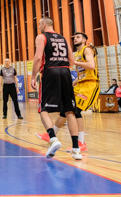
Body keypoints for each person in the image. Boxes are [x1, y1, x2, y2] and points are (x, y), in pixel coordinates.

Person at [35, 32, 99, 151]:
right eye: (74, 37)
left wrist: (74, 63)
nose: (75, 39)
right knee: (66, 110)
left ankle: (81, 142)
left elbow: (91, 66)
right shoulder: (78, 53)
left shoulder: (87, 50)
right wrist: (70, 84)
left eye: (78, 37)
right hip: (80, 84)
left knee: (76, 111)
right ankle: (51, 134)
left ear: (85, 40)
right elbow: (81, 75)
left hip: (90, 85)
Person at [31, 17, 82, 160]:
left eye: (40, 24)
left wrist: (33, 76)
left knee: (43, 109)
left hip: (50, 71)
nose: (39, 26)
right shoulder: (64, 38)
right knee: (69, 110)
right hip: (65, 72)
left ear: (44, 24)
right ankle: (76, 149)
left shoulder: (41, 37)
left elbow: (37, 58)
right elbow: (71, 61)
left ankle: (53, 139)